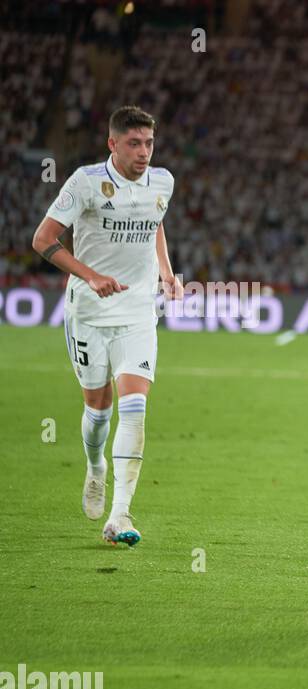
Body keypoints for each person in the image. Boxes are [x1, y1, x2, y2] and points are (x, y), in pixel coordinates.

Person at [31, 105, 179, 546]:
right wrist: (90, 275)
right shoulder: (86, 182)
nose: (144, 152)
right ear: (112, 144)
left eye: (149, 143)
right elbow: (43, 239)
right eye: (134, 143)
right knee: (98, 411)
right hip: (90, 315)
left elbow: (154, 221)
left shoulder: (163, 182)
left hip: (137, 313)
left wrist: (167, 271)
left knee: (135, 408)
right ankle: (95, 466)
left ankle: (120, 514)